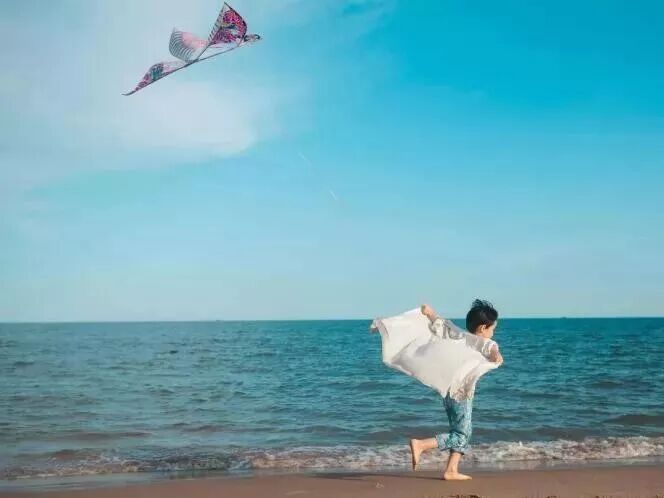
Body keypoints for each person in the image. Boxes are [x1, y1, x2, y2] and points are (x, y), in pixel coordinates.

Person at [409, 299, 503, 480]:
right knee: (462, 435)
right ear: (483, 328)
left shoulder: (459, 335)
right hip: (462, 394)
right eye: (493, 329)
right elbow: (492, 350)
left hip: (448, 392)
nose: (493, 333)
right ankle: (422, 445)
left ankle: (451, 470)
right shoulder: (485, 343)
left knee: (459, 431)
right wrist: (496, 356)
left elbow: (443, 324)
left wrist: (430, 312)